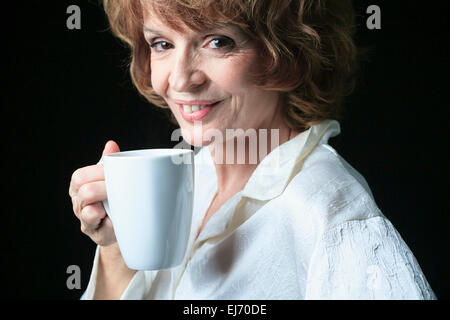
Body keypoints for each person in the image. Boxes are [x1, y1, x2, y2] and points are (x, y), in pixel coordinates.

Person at [69, 0, 436, 299]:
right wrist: (117, 247)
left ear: (290, 52)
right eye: (162, 44)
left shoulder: (330, 214)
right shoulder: (191, 180)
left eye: (218, 42)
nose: (180, 79)